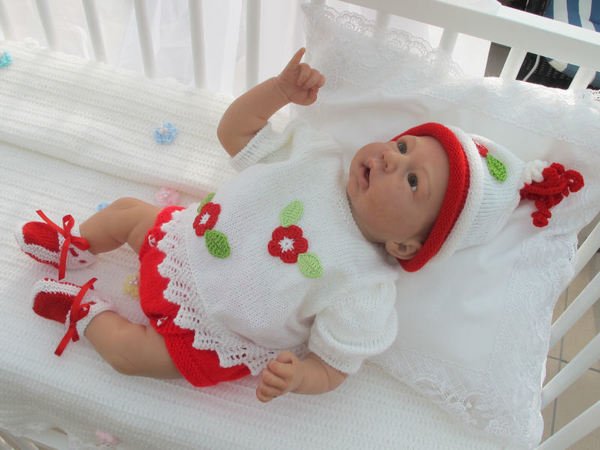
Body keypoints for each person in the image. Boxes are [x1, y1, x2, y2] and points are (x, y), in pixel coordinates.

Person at [14, 48, 583, 403]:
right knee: (127, 213)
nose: (391, 158)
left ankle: (84, 312)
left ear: (408, 243)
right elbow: (235, 132)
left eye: (413, 181)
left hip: (215, 336)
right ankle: (77, 244)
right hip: (180, 243)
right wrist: (278, 93)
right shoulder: (314, 158)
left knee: (132, 357)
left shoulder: (366, 287)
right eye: (404, 145)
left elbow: (335, 366)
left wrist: (298, 377)